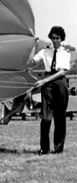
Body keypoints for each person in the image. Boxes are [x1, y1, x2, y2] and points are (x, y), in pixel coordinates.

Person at [28, 26, 71, 155]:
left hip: (60, 82)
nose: (55, 40)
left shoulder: (66, 52)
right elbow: (31, 61)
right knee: (46, 118)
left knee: (60, 117)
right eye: (53, 38)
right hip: (48, 85)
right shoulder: (45, 51)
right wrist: (33, 46)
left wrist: (44, 81)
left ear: (61, 39)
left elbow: (62, 71)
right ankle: (44, 148)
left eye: (57, 38)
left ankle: (58, 149)